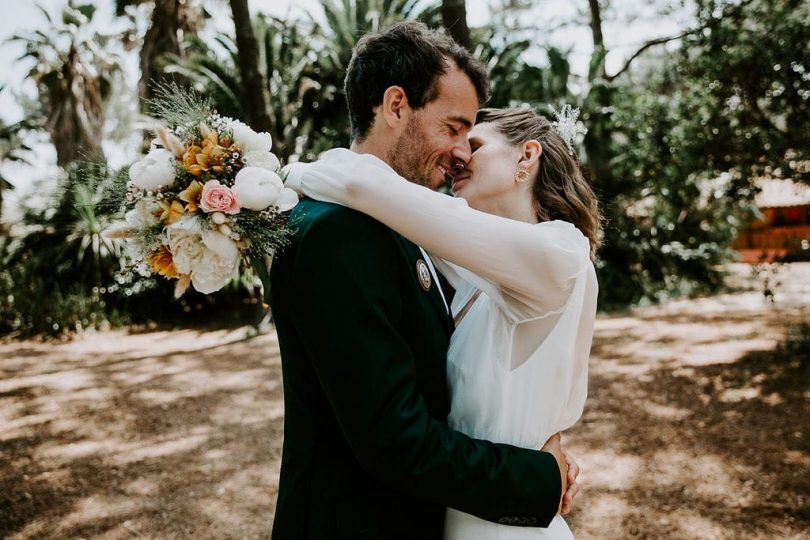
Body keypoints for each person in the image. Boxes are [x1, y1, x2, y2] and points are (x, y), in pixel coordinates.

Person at [270, 22, 580, 540]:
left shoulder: (406, 225)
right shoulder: (339, 233)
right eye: (454, 128)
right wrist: (539, 478)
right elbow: (396, 440)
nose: (461, 152)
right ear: (395, 107)